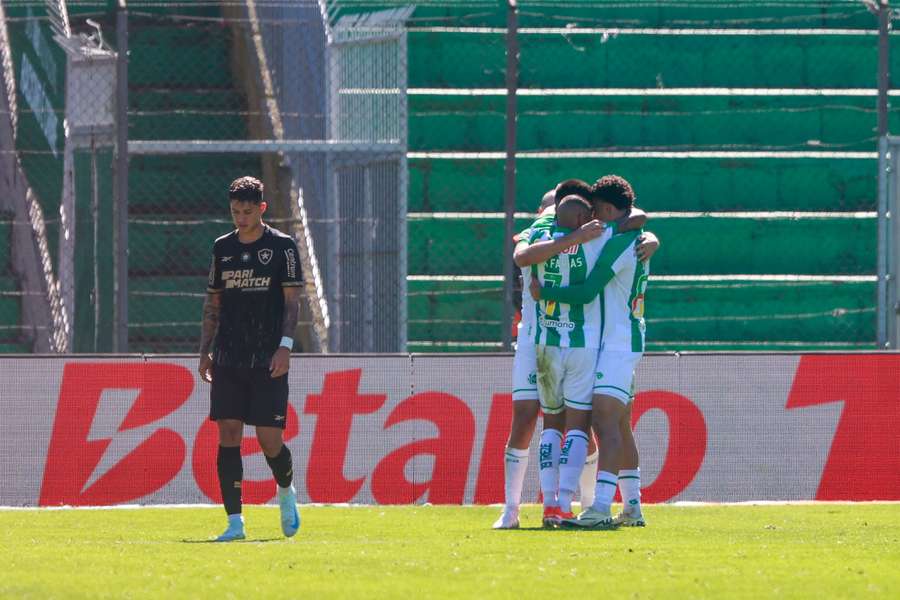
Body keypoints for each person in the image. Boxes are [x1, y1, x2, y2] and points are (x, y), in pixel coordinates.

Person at [532, 175, 652, 528]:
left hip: (619, 342)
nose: (592, 219)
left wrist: (546, 295)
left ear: (611, 211)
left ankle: (600, 507)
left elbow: (586, 293)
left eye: (598, 211)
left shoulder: (620, 242)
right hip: (616, 339)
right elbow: (637, 216)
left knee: (603, 419)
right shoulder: (627, 234)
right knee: (620, 424)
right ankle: (632, 506)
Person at [198, 176, 303, 542]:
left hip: (267, 357)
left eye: (246, 211)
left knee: (269, 440)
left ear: (261, 209)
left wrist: (285, 346)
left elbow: (292, 303)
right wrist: (205, 351)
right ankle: (234, 523)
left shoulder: (283, 247)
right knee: (228, 433)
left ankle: (286, 491)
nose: (240, 218)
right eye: (234, 211)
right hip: (229, 356)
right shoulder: (222, 248)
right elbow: (214, 302)